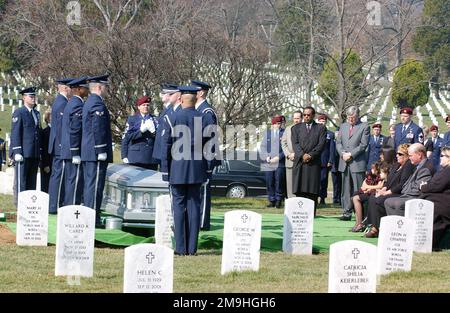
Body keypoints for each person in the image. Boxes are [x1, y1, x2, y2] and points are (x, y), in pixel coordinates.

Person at [160, 85, 212, 256]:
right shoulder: (203, 118)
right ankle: (192, 248)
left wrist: (165, 170)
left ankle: (181, 248)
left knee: (178, 207)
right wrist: (207, 168)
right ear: (196, 100)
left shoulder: (173, 117)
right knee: (194, 208)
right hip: (197, 169)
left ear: (181, 99)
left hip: (177, 169)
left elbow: (166, 145)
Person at [81, 74, 113, 228]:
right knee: (94, 186)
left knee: (90, 184)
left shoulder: (91, 102)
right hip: (95, 152)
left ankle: (90, 215)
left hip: (89, 151)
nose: (107, 89)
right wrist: (101, 149)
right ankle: (92, 217)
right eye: (105, 86)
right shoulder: (97, 104)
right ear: (99, 87)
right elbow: (97, 128)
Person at [364, 144, 415, 238]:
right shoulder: (396, 165)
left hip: (399, 193)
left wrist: (387, 192)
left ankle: (377, 229)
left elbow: (402, 184)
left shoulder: (408, 166)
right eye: (397, 153)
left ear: (406, 156)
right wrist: (383, 189)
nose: (397, 156)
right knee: (372, 197)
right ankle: (373, 226)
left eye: (400, 154)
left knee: (379, 200)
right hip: (390, 191)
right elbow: (388, 181)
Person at [191, 79, 220, 230]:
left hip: (206, 157)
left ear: (201, 93)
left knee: (203, 191)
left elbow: (210, 138)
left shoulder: (206, 111)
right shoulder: (199, 109)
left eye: (194, 91)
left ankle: (203, 223)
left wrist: (208, 162)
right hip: (199, 157)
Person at [336, 106, 370, 221]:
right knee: (345, 189)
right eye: (349, 117)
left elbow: (363, 145)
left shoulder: (364, 126)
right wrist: (342, 153)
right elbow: (338, 143)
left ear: (358, 116)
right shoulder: (343, 126)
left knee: (358, 189)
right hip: (344, 161)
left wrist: (351, 154)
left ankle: (361, 214)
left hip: (357, 162)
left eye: (353, 117)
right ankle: (346, 212)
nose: (351, 119)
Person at [291, 106, 326, 216]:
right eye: (304, 115)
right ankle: (299, 213)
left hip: (313, 163)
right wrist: (302, 155)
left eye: (308, 115)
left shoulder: (320, 128)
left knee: (312, 190)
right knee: (300, 189)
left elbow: (321, 144)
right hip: (300, 162)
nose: (306, 117)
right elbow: (295, 144)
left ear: (313, 116)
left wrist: (310, 155)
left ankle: (311, 214)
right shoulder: (295, 128)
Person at [384, 143, 434, 217]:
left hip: (416, 198)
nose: (409, 158)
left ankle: (403, 226)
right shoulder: (418, 165)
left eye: (410, 155)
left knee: (397, 203)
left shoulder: (426, 168)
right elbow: (407, 183)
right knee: (388, 202)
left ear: (419, 155)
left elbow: (418, 189)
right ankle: (395, 226)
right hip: (408, 195)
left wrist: (405, 192)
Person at [61, 77, 89, 206]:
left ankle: (70, 207)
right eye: (85, 88)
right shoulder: (77, 104)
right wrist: (75, 152)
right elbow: (75, 129)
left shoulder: (72, 103)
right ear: (79, 89)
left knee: (71, 181)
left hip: (69, 148)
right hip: (73, 150)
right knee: (75, 181)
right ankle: (72, 210)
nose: (87, 90)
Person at [10, 87, 41, 205]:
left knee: (31, 181)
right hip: (23, 153)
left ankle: (29, 206)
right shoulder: (19, 112)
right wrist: (17, 151)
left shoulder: (36, 113)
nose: (33, 98)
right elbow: (16, 132)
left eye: (34, 96)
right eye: (31, 96)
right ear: (24, 98)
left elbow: (37, 133)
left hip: (34, 153)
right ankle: (19, 204)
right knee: (21, 181)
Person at [47, 78, 72, 213]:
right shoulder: (62, 103)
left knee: (57, 175)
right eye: (69, 88)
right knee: (59, 176)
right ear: (64, 88)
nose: (71, 90)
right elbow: (62, 128)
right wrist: (64, 146)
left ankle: (54, 204)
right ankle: (54, 205)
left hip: (58, 145)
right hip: (60, 146)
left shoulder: (61, 101)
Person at [419, 147, 450, 250]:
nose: (440, 158)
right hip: (442, 200)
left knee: (431, 206)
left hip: (444, 204)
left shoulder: (447, 171)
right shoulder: (445, 170)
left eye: (442, 156)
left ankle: (429, 244)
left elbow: (435, 186)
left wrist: (423, 186)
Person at [121, 96, 158, 170]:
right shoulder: (132, 119)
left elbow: (159, 138)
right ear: (138, 107)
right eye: (143, 105)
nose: (146, 107)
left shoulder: (155, 119)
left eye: (147, 105)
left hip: (151, 158)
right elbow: (126, 137)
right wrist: (124, 156)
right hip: (136, 157)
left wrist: (154, 132)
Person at [350, 161, 387, 232]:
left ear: (377, 169)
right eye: (371, 168)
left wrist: (368, 187)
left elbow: (380, 186)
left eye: (373, 168)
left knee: (356, 198)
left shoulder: (380, 176)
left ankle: (360, 223)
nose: (372, 170)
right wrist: (366, 188)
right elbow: (363, 185)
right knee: (354, 195)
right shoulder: (369, 174)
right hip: (368, 191)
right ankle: (357, 222)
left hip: (373, 193)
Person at [260, 115, 286, 208]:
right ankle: (272, 200)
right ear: (273, 124)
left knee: (279, 181)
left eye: (280, 123)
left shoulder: (284, 133)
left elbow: (286, 149)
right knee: (269, 181)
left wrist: (278, 157)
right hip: (268, 162)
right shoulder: (268, 133)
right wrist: (266, 156)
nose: (278, 125)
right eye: (276, 124)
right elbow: (263, 147)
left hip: (279, 162)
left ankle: (279, 199)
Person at [152, 83, 179, 165]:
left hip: (167, 151)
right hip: (162, 150)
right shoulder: (166, 109)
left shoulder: (172, 109)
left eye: (164, 93)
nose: (161, 95)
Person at [281, 111, 302, 198]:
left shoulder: (305, 129)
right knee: (289, 183)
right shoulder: (288, 129)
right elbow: (283, 142)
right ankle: (291, 201)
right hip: (290, 160)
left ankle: (300, 202)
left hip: (301, 160)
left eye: (298, 118)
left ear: (301, 118)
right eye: (295, 118)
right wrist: (288, 154)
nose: (296, 120)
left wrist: (297, 154)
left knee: (300, 183)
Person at [317, 114, 334, 205]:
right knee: (315, 180)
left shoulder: (330, 134)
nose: (322, 123)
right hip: (315, 160)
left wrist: (330, 160)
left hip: (324, 161)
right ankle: (315, 197)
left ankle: (322, 198)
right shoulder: (314, 132)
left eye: (323, 122)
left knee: (324, 180)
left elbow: (331, 148)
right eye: (320, 122)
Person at [40, 110, 52, 193]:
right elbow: (43, 149)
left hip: (54, 163)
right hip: (47, 163)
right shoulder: (45, 132)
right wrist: (45, 164)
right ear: (48, 119)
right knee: (46, 186)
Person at [330, 128, 341, 205]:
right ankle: (335, 198)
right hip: (334, 165)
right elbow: (331, 153)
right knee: (335, 183)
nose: (337, 135)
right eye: (336, 133)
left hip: (341, 165)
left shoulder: (342, 143)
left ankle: (340, 198)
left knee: (341, 183)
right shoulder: (332, 142)